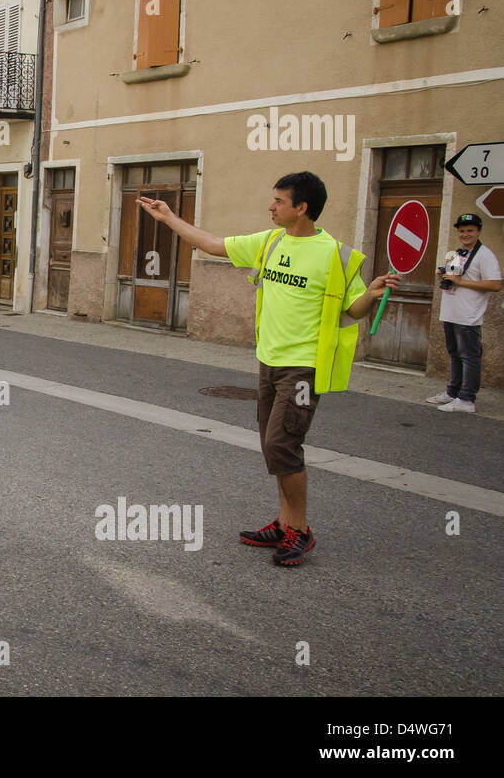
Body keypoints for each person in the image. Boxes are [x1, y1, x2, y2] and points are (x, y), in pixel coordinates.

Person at [138, 172, 400, 566]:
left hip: (304, 367)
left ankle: (301, 530)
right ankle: (284, 522)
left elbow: (352, 309)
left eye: (279, 201)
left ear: (302, 207)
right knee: (273, 447)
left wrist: (372, 292)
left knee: (282, 445)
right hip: (268, 361)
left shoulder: (336, 255)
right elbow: (212, 244)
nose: (271, 206)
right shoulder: (270, 241)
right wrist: (168, 217)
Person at [427, 213, 501, 414]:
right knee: (455, 354)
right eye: (462, 231)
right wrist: (445, 275)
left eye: (470, 230)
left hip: (469, 315)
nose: (465, 234)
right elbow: (452, 280)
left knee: (470, 357)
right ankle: (453, 392)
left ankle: (467, 399)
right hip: (451, 312)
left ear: (478, 231)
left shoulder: (485, 255)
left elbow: (495, 284)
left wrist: (461, 282)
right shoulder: (458, 253)